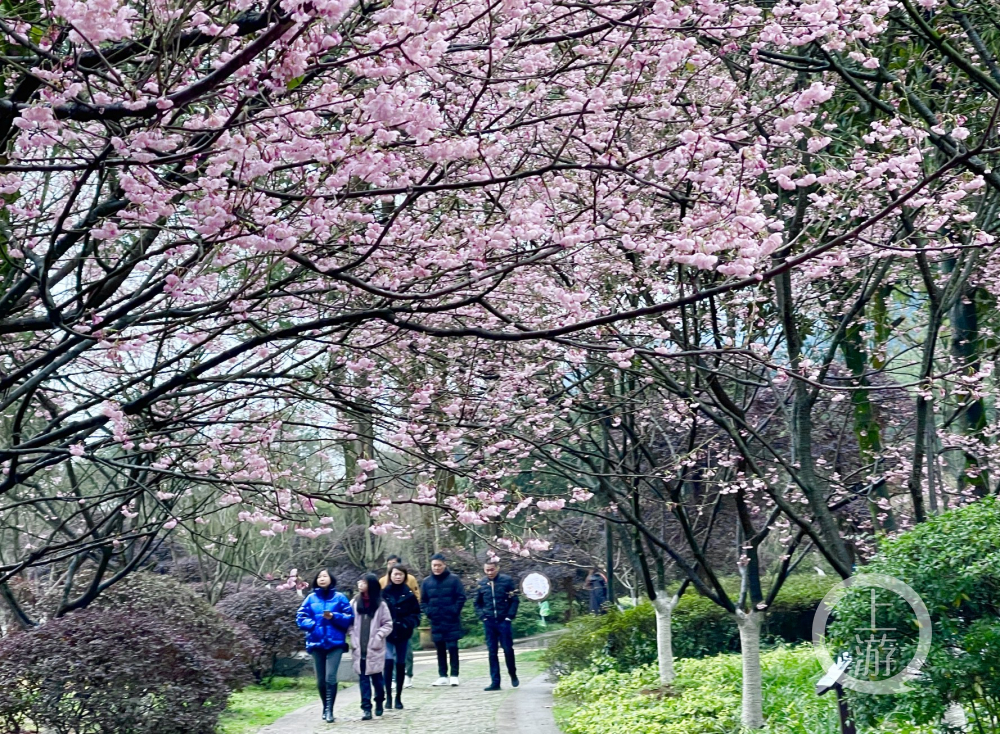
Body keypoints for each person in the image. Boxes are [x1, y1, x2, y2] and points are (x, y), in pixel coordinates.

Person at [296, 568, 354, 723]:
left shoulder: (340, 597)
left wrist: (334, 616)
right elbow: (300, 617)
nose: (322, 579)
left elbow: (349, 617)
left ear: (331, 579)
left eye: (325, 576)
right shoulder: (310, 598)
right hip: (316, 643)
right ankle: (324, 706)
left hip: (335, 643)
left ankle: (330, 710)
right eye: (319, 576)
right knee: (320, 680)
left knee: (330, 677)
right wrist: (313, 624)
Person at [349, 573, 393, 721]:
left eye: (364, 582)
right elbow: (348, 621)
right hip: (359, 647)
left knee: (377, 679)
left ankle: (380, 700)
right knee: (363, 679)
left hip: (374, 648)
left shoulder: (381, 604)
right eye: (360, 581)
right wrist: (352, 636)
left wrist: (379, 636)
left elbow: (388, 624)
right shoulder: (355, 602)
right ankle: (366, 708)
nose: (360, 584)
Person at [420, 553, 466, 686]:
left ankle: (454, 674)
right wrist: (430, 612)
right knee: (439, 648)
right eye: (434, 565)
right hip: (436, 620)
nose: (436, 568)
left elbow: (461, 597)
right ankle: (442, 675)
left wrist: (454, 610)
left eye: (439, 565)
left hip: (451, 619)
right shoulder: (427, 582)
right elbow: (423, 601)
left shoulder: (454, 579)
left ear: (444, 565)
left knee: (452, 647)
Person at [474, 560, 520, 691]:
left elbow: (514, 600)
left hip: (503, 621)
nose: (489, 572)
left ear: (497, 568)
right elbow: (477, 603)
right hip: (489, 622)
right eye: (487, 570)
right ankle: (495, 681)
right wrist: (482, 616)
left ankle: (513, 673)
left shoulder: (507, 581)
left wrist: (509, 617)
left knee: (508, 649)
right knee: (492, 652)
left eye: (492, 569)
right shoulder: (481, 583)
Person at [381, 565, 421, 708]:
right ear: (390, 576)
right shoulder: (384, 594)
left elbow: (416, 615)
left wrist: (407, 623)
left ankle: (398, 696)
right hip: (388, 634)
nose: (397, 577)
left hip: (403, 633)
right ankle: (388, 697)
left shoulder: (409, 595)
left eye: (400, 574)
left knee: (400, 664)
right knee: (388, 662)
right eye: (395, 574)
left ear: (404, 576)